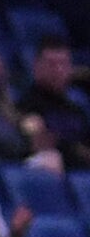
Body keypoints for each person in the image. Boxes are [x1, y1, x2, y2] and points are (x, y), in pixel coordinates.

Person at [16, 37, 90, 171]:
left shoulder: (76, 109)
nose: (58, 70)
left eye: (64, 64)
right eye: (52, 64)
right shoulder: (25, 105)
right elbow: (40, 141)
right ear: (36, 67)